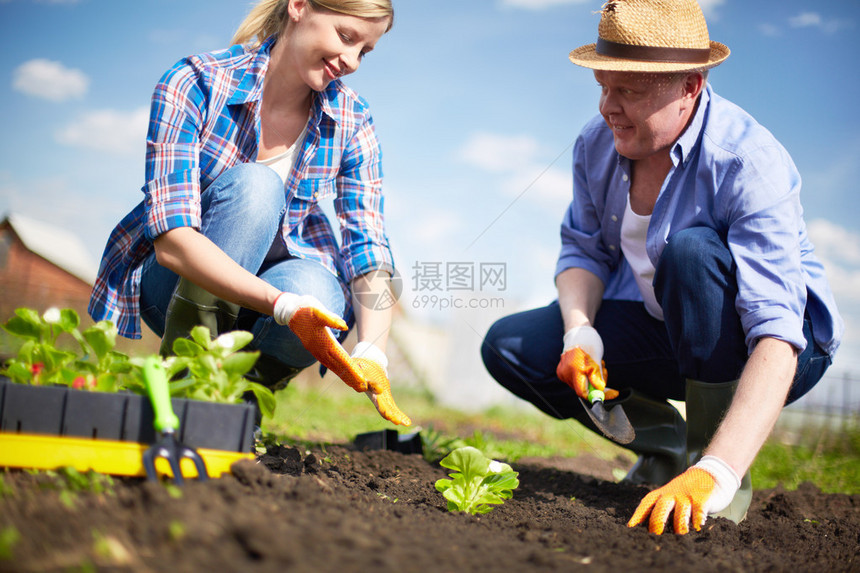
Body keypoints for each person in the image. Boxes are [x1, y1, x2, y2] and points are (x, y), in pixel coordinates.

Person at [481, 0, 842, 535]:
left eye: (628, 91)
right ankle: (666, 447)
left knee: (691, 252)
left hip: (777, 349)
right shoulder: (596, 143)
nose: (608, 107)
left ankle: (716, 473)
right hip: (667, 329)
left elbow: (776, 330)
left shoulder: (747, 161)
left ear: (690, 86)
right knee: (512, 348)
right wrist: (581, 334)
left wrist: (717, 470)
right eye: (604, 85)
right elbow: (583, 250)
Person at [88, 0, 409, 426]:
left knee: (321, 293)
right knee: (257, 187)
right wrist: (280, 304)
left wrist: (373, 348)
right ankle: (184, 381)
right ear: (298, 7)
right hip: (177, 283)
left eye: (364, 51)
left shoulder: (352, 118)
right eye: (345, 37)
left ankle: (239, 407)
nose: (351, 61)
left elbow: (368, 243)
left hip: (269, 298)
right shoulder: (196, 81)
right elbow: (172, 240)